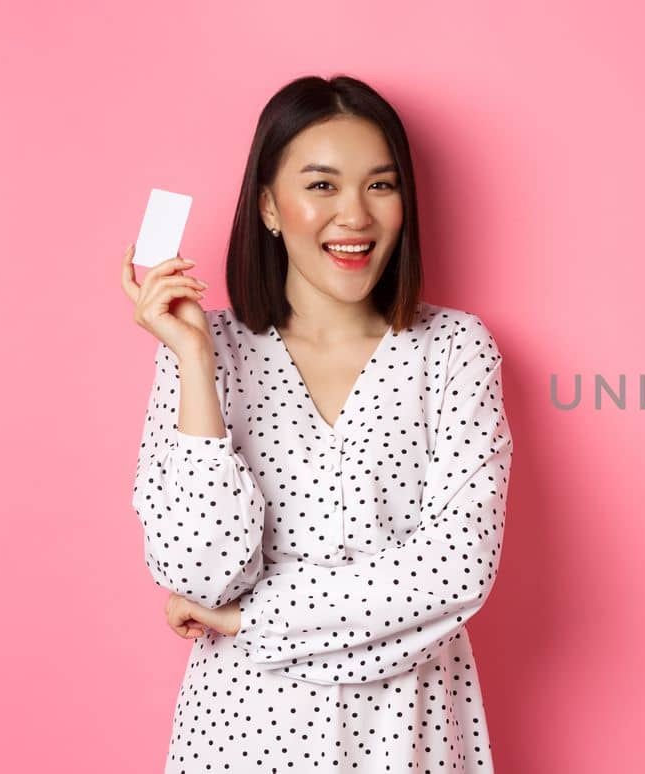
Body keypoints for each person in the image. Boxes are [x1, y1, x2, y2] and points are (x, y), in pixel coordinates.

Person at [118, 74, 512, 772]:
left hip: (407, 733)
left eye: (381, 186)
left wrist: (249, 620)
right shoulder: (209, 350)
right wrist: (192, 360)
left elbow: (455, 572)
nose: (355, 215)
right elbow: (199, 573)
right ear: (269, 205)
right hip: (242, 732)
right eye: (322, 186)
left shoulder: (455, 349)